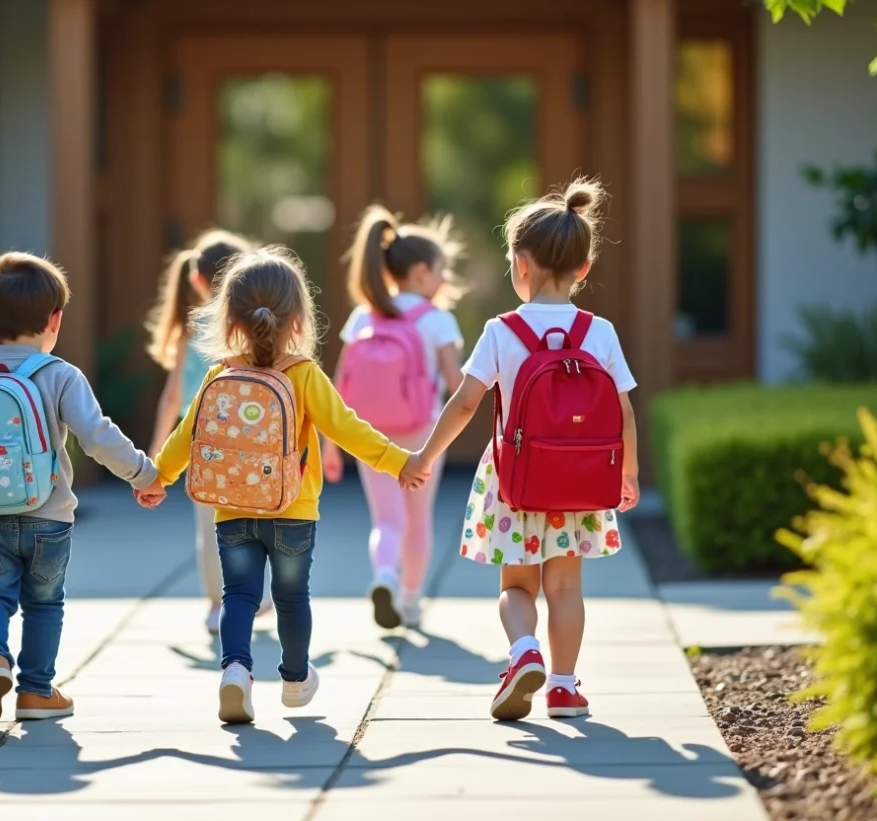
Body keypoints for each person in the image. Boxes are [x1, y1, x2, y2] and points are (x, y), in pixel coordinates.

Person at [144, 246, 430, 724]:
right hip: (293, 510)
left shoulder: (220, 373)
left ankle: (236, 669)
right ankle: (295, 680)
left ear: (228, 319)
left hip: (233, 509)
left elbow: (187, 436)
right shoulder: (302, 374)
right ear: (298, 317)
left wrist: (158, 477)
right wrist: (398, 461)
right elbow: (347, 428)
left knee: (238, 596)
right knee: (292, 598)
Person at [412, 178, 640, 721]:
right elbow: (625, 411)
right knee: (565, 586)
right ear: (584, 268)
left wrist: (423, 456)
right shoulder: (599, 332)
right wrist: (626, 474)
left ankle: (523, 651)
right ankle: (563, 686)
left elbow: (466, 404)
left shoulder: (502, 330)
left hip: (516, 481)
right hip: (581, 482)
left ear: (520, 264)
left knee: (517, 585)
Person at [0, 252, 165, 726]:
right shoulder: (60, 375)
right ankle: (36, 691)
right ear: (55, 320)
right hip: (48, 515)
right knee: (44, 603)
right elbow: (96, 435)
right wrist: (143, 473)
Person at [325, 205, 465, 629]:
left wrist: (331, 442)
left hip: (370, 432)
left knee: (387, 518)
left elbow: (337, 382)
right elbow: (458, 384)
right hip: (422, 432)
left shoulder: (365, 315)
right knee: (417, 518)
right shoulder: (437, 320)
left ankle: (384, 575)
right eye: (442, 271)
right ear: (421, 272)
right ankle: (410, 599)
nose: (444, 280)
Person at [145, 229, 272, 634]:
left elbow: (172, 398)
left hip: (204, 447)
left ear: (196, 279)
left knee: (210, 528)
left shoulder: (194, 328)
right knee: (254, 522)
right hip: (251, 443)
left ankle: (218, 605)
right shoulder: (252, 327)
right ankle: (258, 592)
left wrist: (155, 454)